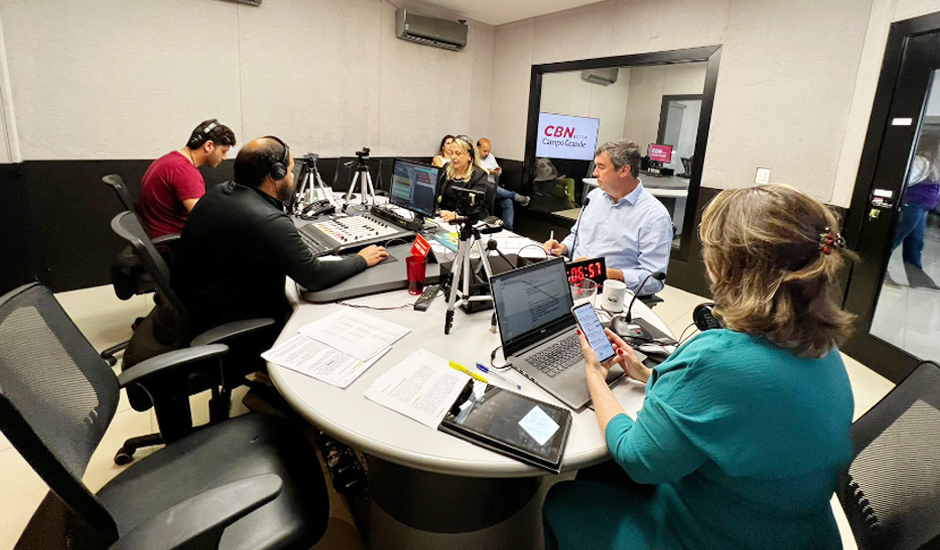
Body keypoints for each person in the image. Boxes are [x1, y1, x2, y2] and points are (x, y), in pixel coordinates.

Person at [543, 183, 856, 550]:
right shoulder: (823, 348)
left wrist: (595, 375)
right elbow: (742, 415)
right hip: (797, 531)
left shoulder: (717, 360)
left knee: (563, 501)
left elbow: (637, 459)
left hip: (711, 537)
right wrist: (647, 374)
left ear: (729, 267)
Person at [542, 140, 673, 295]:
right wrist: (563, 248)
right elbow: (576, 236)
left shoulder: (655, 216)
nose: (594, 173)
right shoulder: (594, 197)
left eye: (601, 167)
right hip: (573, 283)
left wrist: (606, 273)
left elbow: (653, 280)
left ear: (624, 170)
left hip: (612, 294)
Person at [137, 119, 236, 240]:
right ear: (209, 146)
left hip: (158, 237)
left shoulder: (169, 160)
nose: (225, 158)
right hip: (172, 246)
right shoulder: (185, 172)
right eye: (223, 151)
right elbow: (205, 220)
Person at [886, 132, 940, 289]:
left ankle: (917, 277)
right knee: (894, 239)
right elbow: (904, 181)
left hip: (921, 207)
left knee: (915, 243)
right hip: (912, 205)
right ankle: (879, 271)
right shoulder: (921, 162)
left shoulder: (933, 166)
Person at [437, 135, 493, 223]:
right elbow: (437, 195)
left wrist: (456, 215)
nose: (453, 157)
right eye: (451, 153)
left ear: (470, 156)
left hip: (469, 223)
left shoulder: (479, 175)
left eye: (458, 153)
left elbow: (475, 209)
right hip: (444, 220)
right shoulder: (446, 169)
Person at [477, 137, 529, 231]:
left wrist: (498, 170)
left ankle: (509, 230)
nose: (487, 153)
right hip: (483, 188)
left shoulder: (491, 157)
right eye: (485, 151)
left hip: (495, 187)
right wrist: (486, 171)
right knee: (493, 188)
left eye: (488, 151)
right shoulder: (473, 159)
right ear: (478, 148)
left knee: (507, 201)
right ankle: (515, 196)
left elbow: (497, 168)